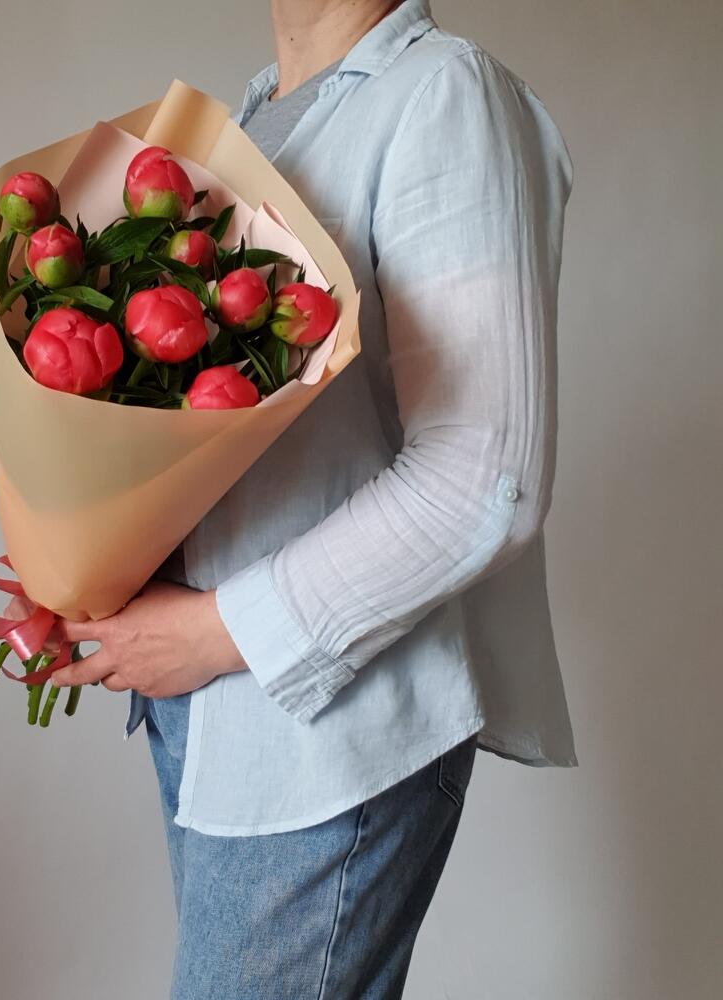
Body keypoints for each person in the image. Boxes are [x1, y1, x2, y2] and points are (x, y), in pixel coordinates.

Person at [41, 1, 577, 995]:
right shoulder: (251, 121)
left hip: (328, 732)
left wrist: (212, 633)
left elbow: (485, 474)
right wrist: (89, 567)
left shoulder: (442, 95)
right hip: (209, 713)